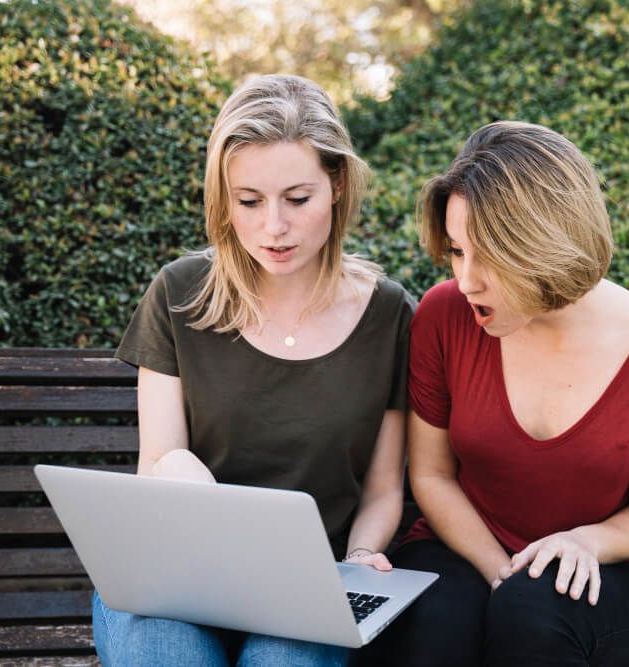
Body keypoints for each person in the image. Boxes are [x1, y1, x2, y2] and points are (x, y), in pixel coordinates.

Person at [92, 74, 414, 667]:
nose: (274, 227)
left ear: (337, 185)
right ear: (224, 197)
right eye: (249, 201)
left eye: (298, 199)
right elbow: (160, 462)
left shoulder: (389, 314)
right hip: (175, 575)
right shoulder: (179, 293)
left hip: (312, 585)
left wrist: (364, 555)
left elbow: (384, 486)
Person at [362, 121, 629, 667]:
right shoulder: (444, 315)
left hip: (608, 572)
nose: (468, 280)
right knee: (437, 628)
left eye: (491, 256)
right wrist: (499, 570)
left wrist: (587, 543)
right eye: (457, 251)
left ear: (546, 246)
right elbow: (431, 475)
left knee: (532, 616)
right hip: (461, 548)